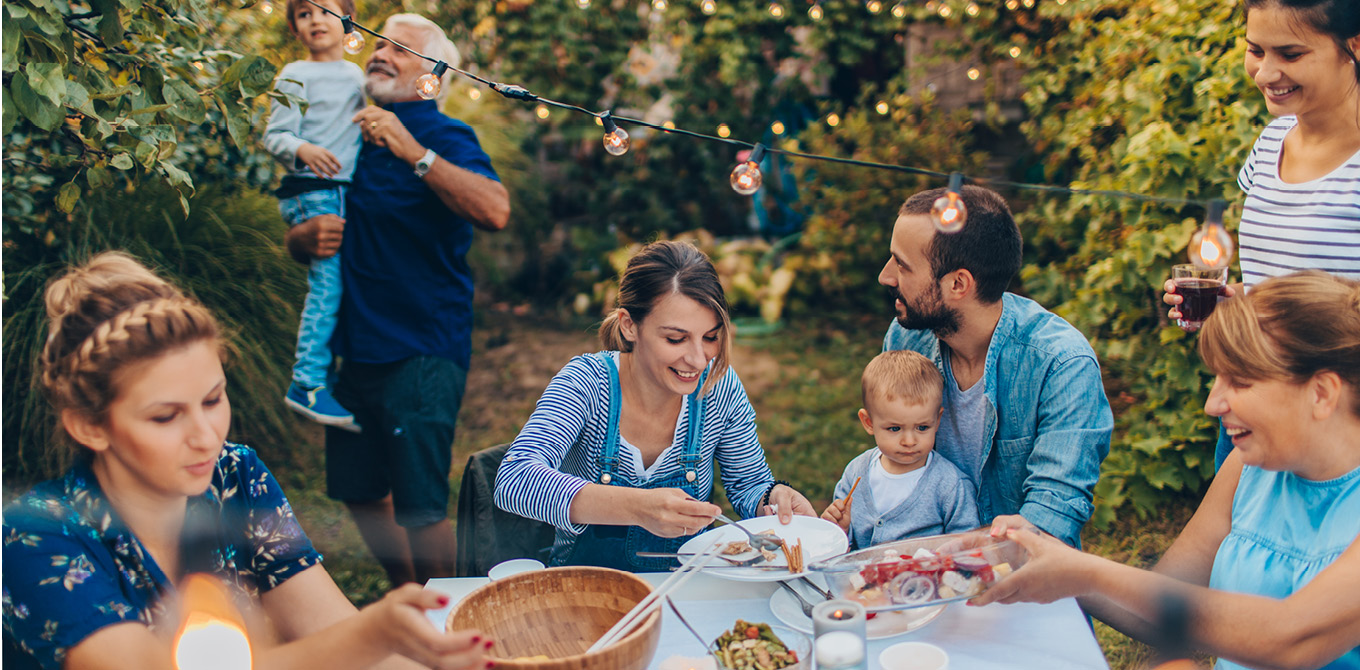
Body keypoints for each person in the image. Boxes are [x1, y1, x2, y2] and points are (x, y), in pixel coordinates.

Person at [1, 252, 491, 670]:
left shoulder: (233, 475)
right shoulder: (35, 535)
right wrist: (375, 634)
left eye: (213, 400)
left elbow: (328, 626)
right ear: (89, 426)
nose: (206, 436)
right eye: (166, 416)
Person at [972, 271, 1360, 670]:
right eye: (1217, 378)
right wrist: (1038, 556)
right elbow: (1162, 604)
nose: (1214, 404)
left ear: (1322, 393)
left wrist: (1085, 572)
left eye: (1240, 381)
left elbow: (1291, 638)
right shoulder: (1247, 469)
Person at [285, 13, 511, 586]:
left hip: (422, 345)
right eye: (380, 44)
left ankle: (445, 613)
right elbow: (306, 221)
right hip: (353, 346)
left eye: (401, 50)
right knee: (360, 492)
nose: (381, 54)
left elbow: (494, 209)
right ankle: (408, 595)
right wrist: (300, 239)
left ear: (433, 76)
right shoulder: (342, 131)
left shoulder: (445, 136)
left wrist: (414, 150)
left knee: (419, 505)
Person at [494, 240, 816, 572]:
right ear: (629, 325)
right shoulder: (587, 383)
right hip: (585, 587)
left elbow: (749, 484)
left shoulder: (719, 388)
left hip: (686, 587)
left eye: (710, 337)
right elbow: (516, 479)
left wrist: (773, 499)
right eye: (675, 339)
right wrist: (637, 507)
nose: (697, 359)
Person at [1162, 0, 1360, 469]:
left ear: (1353, 47)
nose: (1266, 73)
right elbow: (1274, 281)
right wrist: (1238, 307)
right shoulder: (1272, 140)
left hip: (1334, 417)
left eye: (1290, 55)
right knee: (1239, 540)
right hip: (1252, 400)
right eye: (1256, 51)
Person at [879, 184, 1112, 548]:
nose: (886, 276)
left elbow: (1049, 520)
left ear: (958, 284)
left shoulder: (1062, 365)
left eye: (902, 265)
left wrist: (937, 554)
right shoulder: (906, 340)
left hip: (1018, 580)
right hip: (916, 571)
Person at [263, 0, 366, 429]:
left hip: (341, 192)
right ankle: (305, 382)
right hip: (313, 191)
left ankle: (330, 374)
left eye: (326, 10)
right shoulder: (295, 74)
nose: (316, 20)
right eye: (304, 14)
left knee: (341, 285)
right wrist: (301, 148)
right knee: (326, 286)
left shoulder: (357, 76)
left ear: (348, 22)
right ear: (295, 28)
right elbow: (274, 134)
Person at [820, 350, 980, 549]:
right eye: (894, 429)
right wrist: (840, 530)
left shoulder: (949, 485)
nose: (909, 441)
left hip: (925, 578)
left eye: (922, 428)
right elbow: (843, 549)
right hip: (861, 578)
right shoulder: (856, 473)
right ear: (868, 422)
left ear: (937, 421)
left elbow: (968, 545)